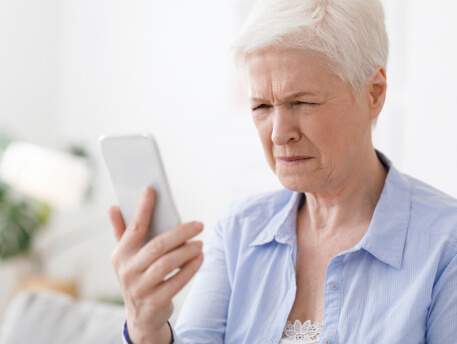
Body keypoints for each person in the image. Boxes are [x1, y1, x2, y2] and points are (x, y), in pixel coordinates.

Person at [108, 0, 457, 343]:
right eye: (261, 105)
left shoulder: (445, 243)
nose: (278, 133)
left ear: (374, 93)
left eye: (302, 102)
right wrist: (148, 331)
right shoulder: (239, 231)